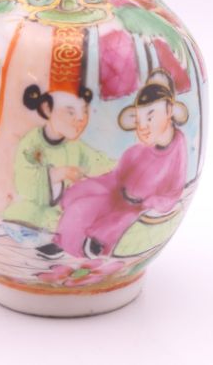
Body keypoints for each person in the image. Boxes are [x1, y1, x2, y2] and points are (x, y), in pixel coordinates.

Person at [54, 69, 189, 258]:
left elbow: (174, 192)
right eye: (139, 121)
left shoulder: (177, 151)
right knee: (81, 204)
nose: (143, 127)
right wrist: (89, 185)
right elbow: (116, 177)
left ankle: (95, 245)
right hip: (117, 195)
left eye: (150, 117)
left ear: (169, 111)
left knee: (120, 220)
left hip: (138, 209)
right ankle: (62, 241)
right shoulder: (137, 152)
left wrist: (152, 202)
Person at [2, 83, 115, 252]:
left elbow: (99, 163)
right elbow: (23, 180)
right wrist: (58, 174)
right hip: (30, 213)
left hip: (59, 216)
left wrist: (124, 169)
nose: (80, 119)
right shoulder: (31, 142)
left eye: (84, 111)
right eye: (71, 112)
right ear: (47, 109)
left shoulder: (76, 146)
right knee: (26, 216)